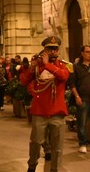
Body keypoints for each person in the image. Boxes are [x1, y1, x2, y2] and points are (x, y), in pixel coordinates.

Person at [20, 36, 71, 172]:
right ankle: (32, 166)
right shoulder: (37, 67)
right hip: (40, 111)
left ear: (58, 50)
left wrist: (48, 64)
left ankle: (55, 169)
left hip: (57, 112)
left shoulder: (63, 65)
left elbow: (64, 76)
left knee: (57, 147)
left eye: (55, 49)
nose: (53, 52)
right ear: (45, 50)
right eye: (50, 49)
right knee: (36, 143)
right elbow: (24, 82)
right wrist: (32, 67)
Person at [68, 45, 90, 153]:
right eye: (87, 52)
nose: (89, 54)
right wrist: (77, 96)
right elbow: (71, 83)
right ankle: (82, 143)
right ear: (82, 53)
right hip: (83, 98)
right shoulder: (76, 66)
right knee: (82, 122)